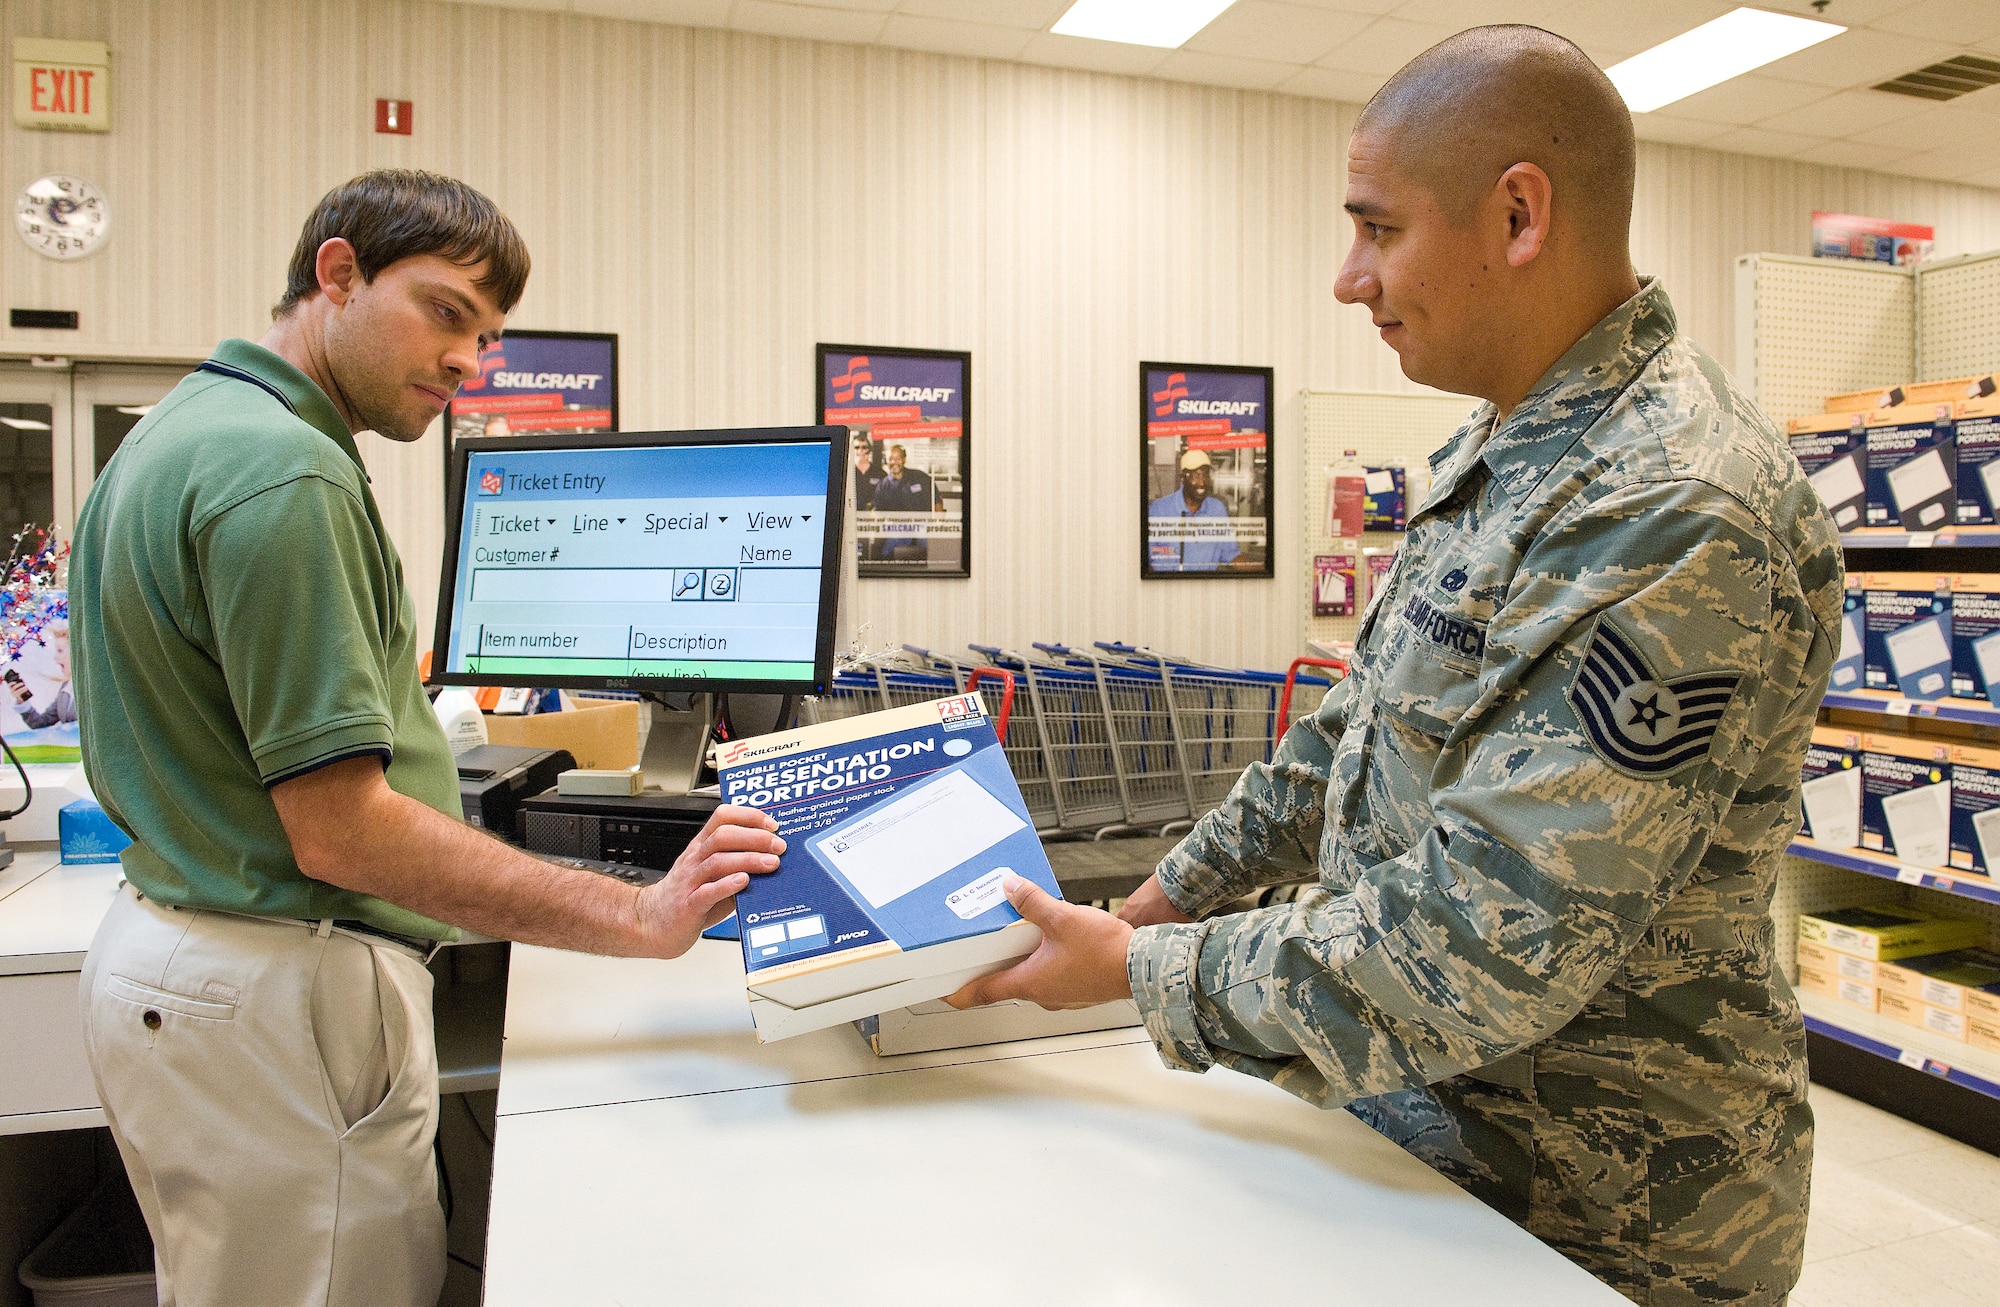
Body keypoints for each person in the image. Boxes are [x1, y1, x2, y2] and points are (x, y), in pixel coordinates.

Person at [951, 26, 1839, 1306]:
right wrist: (1161, 896)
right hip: (1420, 1150)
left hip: (1599, 1221)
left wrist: (1144, 972)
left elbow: (1486, 939)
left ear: (1517, 215)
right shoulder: (1509, 447)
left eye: (1376, 229)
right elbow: (1347, 735)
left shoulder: (1673, 507)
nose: (1345, 278)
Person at [70, 170, 785, 1307]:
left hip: (178, 961)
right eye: (448, 313)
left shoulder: (181, 432)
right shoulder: (285, 468)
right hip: (277, 982)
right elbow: (344, 831)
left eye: (489, 337)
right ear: (336, 272)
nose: (469, 362)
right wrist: (634, 912)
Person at [1146, 448, 1241, 571]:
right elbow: (1145, 561)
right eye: (1196, 475)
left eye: (1205, 475)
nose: (1202, 482)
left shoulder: (1217, 509)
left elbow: (1231, 554)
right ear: (1183, 478)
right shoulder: (1159, 510)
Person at [870, 443, 933, 561]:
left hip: (922, 524)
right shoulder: (883, 485)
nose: (894, 462)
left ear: (904, 460)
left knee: (928, 547)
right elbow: (878, 512)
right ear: (886, 461)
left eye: (898, 458)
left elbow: (937, 501)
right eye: (891, 459)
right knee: (885, 553)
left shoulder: (919, 476)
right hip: (898, 527)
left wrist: (935, 522)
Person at [8, 621, 76, 728]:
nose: (55, 657)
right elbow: (41, 723)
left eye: (60, 651)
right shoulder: (66, 688)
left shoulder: (94, 685)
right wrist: (22, 700)